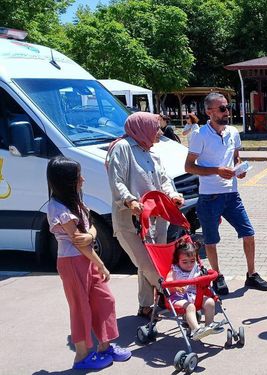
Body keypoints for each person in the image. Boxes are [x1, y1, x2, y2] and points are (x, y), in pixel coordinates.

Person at [47, 156, 131, 370]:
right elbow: (78, 242)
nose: (82, 179)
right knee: (80, 308)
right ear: (65, 181)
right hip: (73, 262)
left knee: (105, 300)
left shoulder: (75, 201)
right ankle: (82, 356)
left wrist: (91, 236)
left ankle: (105, 346)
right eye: (77, 177)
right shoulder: (57, 207)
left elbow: (89, 229)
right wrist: (101, 263)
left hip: (86, 259)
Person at [185, 92, 267, 295]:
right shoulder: (199, 135)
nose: (227, 112)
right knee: (211, 240)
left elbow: (236, 158)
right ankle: (217, 276)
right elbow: (189, 167)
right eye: (222, 108)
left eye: (228, 107)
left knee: (249, 233)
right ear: (209, 111)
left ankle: (251, 275)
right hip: (209, 196)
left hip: (232, 195)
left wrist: (239, 169)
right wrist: (217, 171)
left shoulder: (233, 132)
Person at [106, 112, 185, 319]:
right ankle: (174, 296)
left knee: (150, 262)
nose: (159, 132)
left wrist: (173, 195)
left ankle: (146, 306)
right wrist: (130, 200)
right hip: (131, 220)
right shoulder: (122, 148)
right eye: (155, 128)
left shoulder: (151, 151)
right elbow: (117, 181)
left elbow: (163, 179)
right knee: (146, 263)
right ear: (142, 128)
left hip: (156, 220)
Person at [166, 239, 218, 340]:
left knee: (210, 302)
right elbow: (167, 282)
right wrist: (176, 287)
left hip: (195, 295)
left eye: (192, 261)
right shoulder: (175, 270)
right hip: (178, 297)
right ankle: (196, 330)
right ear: (178, 261)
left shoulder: (197, 269)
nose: (189, 264)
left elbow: (204, 280)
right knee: (190, 307)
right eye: (185, 262)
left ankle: (209, 326)